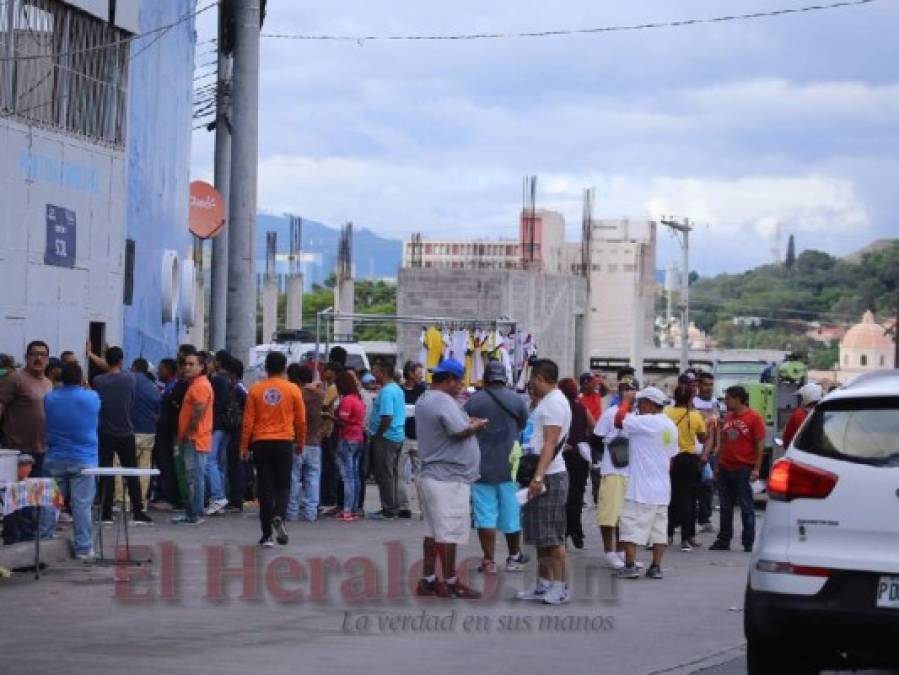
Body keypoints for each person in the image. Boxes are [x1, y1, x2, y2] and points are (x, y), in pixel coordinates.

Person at [414, 358, 486, 599]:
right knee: (448, 533)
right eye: (459, 382)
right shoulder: (443, 400)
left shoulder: (426, 398)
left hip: (434, 475)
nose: (461, 387)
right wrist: (476, 425)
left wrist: (469, 424)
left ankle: (428, 580)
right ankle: (451, 581)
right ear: (448, 380)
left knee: (434, 531)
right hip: (447, 478)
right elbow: (458, 430)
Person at [464, 360, 530, 574]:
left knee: (485, 515)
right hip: (510, 465)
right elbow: (522, 425)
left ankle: (489, 561)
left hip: (481, 466)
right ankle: (513, 557)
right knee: (511, 513)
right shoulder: (517, 400)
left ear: (486, 378)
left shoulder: (473, 401)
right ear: (504, 377)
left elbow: (465, 426)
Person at [516, 359, 572, 605]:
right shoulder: (549, 402)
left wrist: (538, 477)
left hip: (549, 474)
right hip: (541, 472)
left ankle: (560, 587)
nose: (530, 384)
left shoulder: (555, 404)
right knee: (540, 535)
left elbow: (550, 442)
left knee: (552, 536)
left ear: (539, 378)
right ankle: (543, 584)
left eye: (531, 379)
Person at [240, 352, 306, 547]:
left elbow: (248, 421)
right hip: (284, 442)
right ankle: (279, 515)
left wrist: (244, 446)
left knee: (265, 487)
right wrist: (300, 442)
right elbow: (301, 420)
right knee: (284, 486)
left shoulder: (255, 390)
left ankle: (266, 535)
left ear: (266, 368)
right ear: (284, 368)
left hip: (261, 442)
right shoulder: (293, 389)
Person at [615, 387, 679, 580]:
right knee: (659, 531)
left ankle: (630, 565)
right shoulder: (670, 425)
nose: (638, 407)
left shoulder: (645, 421)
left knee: (630, 527)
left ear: (648, 403)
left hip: (640, 489)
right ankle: (656, 567)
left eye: (640, 403)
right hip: (662, 488)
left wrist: (625, 400)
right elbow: (672, 456)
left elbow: (619, 420)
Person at [43, 362, 100, 559]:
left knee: (51, 503)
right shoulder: (92, 397)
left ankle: (44, 543)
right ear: (81, 378)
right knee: (81, 506)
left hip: (55, 457)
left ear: (60, 378)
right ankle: (83, 548)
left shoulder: (49, 398)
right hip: (84, 459)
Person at [91, 346, 152, 525]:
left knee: (106, 473)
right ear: (121, 360)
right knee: (131, 472)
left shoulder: (98, 381)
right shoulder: (129, 379)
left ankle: (106, 514)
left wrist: (91, 355)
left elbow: (106, 371)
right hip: (126, 432)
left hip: (105, 432)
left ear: (106, 360)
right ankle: (138, 511)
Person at [710, 386, 766, 553]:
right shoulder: (727, 418)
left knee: (746, 506)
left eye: (728, 399)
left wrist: (756, 469)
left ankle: (748, 542)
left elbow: (759, 446)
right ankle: (724, 540)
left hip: (743, 468)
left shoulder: (754, 418)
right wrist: (718, 466)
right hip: (726, 467)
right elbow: (723, 444)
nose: (725, 402)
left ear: (737, 399)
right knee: (725, 506)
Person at [592, 377, 639, 570]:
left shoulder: (638, 415)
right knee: (609, 513)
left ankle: (621, 551)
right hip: (613, 470)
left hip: (632, 472)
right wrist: (612, 451)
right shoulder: (610, 413)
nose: (627, 392)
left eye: (631, 388)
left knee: (626, 515)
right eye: (624, 389)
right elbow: (596, 439)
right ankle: (609, 551)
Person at [663, 384, 708, 551]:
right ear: (690, 398)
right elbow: (702, 439)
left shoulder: (666, 413)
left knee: (671, 497)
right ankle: (687, 537)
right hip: (688, 460)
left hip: (670, 459)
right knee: (689, 499)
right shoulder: (695, 416)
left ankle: (667, 535)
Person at [0, 341, 54, 476]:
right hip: (17, 449)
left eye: (42, 355)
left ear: (47, 359)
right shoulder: (15, 378)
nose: (38, 358)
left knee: (36, 494)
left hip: (42, 449)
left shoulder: (48, 383)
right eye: (34, 354)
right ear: (26, 357)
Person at [173, 352, 214, 525]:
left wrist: (188, 432)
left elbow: (198, 410)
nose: (186, 367)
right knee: (195, 476)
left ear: (201, 367)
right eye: (185, 364)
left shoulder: (200, 386)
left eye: (191, 364)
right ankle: (193, 512)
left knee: (194, 477)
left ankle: (195, 514)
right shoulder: (197, 384)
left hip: (195, 438)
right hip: (196, 437)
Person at [367, 361, 407, 520]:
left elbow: (387, 416)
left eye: (375, 370)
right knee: (392, 474)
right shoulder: (396, 388)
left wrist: (378, 434)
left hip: (386, 437)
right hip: (396, 435)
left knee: (385, 474)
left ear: (383, 372)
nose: (372, 374)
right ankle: (391, 506)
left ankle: (389, 509)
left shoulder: (387, 392)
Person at [558, 377, 594, 550]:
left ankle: (563, 532)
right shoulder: (581, 408)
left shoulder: (558, 408)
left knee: (562, 495)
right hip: (579, 457)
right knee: (577, 495)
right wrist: (583, 438)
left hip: (562, 456)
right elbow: (594, 427)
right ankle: (576, 530)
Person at [286, 364, 323, 522]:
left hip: (297, 441)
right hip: (314, 441)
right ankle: (310, 513)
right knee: (313, 478)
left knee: (293, 478)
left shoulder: (297, 394)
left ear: (298, 379)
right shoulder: (320, 394)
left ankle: (292, 512)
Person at [334, 371, 366, 521]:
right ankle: (353, 509)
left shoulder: (347, 400)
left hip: (348, 439)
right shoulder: (358, 399)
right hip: (359, 438)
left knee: (348, 477)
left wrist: (331, 418)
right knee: (355, 475)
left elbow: (343, 421)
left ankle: (347, 509)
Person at [206, 350, 234, 516]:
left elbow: (214, 404)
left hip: (215, 425)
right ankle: (220, 497)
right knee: (219, 463)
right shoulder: (228, 380)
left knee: (210, 462)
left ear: (218, 362)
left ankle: (217, 496)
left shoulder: (217, 380)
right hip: (226, 426)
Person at [151, 358, 181, 511]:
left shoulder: (173, 388)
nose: (158, 371)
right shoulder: (168, 387)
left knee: (166, 463)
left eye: (161, 368)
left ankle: (168, 497)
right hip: (164, 431)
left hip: (167, 432)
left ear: (169, 371)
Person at [130, 358, 160, 505]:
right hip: (148, 432)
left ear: (134, 367)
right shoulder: (153, 387)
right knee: (144, 467)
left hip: (130, 430)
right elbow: (158, 411)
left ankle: (123, 501)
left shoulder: (128, 381)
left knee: (123, 466)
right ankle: (141, 501)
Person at [692, 372, 720, 534]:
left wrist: (717, 446)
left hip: (710, 451)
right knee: (693, 486)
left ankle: (704, 519)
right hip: (695, 449)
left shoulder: (715, 402)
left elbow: (717, 426)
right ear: (699, 385)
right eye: (706, 384)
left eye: (711, 384)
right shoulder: (693, 402)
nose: (709, 387)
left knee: (708, 485)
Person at [400, 361, 426, 516]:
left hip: (419, 438)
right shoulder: (399, 390)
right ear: (409, 373)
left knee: (421, 476)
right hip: (402, 437)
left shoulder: (423, 389)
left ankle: (424, 508)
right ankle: (404, 506)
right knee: (400, 474)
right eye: (418, 372)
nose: (421, 375)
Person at [223, 358, 250, 510]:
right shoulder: (237, 388)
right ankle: (234, 498)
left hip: (238, 431)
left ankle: (236, 499)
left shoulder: (239, 389)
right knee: (233, 465)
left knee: (236, 465)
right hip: (236, 430)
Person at [318, 361, 342, 515]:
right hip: (329, 430)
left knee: (328, 466)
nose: (322, 372)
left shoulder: (332, 388)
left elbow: (323, 406)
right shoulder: (331, 387)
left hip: (328, 431)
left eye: (325, 370)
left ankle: (328, 497)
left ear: (332, 372)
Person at [782, 382, 823, 448]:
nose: (801, 400)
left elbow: (787, 440)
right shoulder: (825, 412)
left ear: (806, 397)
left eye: (801, 397)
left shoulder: (798, 414)